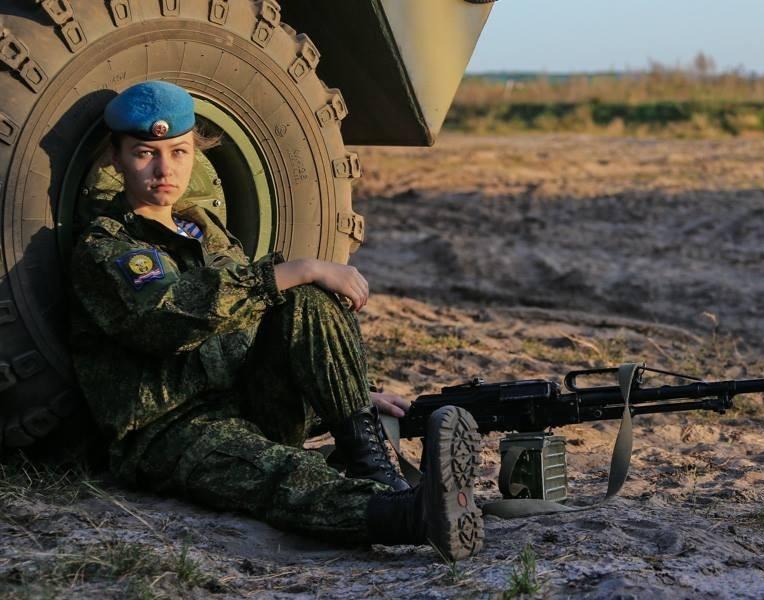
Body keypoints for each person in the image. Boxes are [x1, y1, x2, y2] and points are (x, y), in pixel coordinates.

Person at [68, 80, 484, 559]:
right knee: (282, 474)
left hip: (245, 399)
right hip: (170, 429)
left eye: (179, 152)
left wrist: (346, 389)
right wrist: (294, 269)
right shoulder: (106, 247)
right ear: (116, 159)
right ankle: (410, 515)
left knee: (308, 299)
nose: (165, 169)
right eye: (145, 153)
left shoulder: (208, 233)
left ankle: (374, 466)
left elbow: (246, 328)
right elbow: (167, 319)